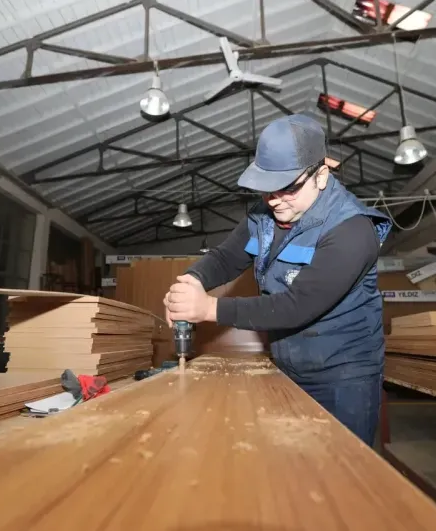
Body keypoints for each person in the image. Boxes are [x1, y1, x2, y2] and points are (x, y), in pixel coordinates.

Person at [163, 114, 393, 446]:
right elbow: (226, 258)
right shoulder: (265, 215)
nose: (273, 199)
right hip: (289, 366)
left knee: (342, 469)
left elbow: (296, 306)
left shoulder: (352, 231)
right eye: (266, 188)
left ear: (321, 176)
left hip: (344, 378)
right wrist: (191, 281)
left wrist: (208, 309)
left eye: (288, 188)